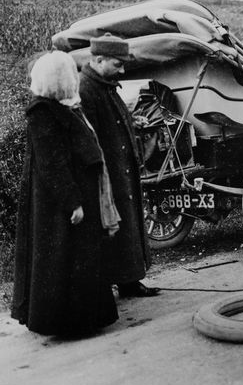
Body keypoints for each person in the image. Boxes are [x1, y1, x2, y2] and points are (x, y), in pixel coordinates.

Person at [12, 51, 120, 336]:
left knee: (80, 258)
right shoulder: (43, 113)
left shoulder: (64, 107)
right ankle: (69, 323)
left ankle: (84, 319)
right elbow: (52, 165)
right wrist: (72, 202)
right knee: (65, 260)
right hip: (63, 205)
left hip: (77, 195)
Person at [79, 33, 159, 297]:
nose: (123, 70)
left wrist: (132, 123)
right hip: (108, 174)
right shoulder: (86, 90)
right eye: (118, 64)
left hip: (122, 169)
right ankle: (115, 283)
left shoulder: (106, 84)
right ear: (99, 59)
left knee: (127, 225)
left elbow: (114, 121)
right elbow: (88, 137)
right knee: (112, 228)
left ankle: (129, 280)